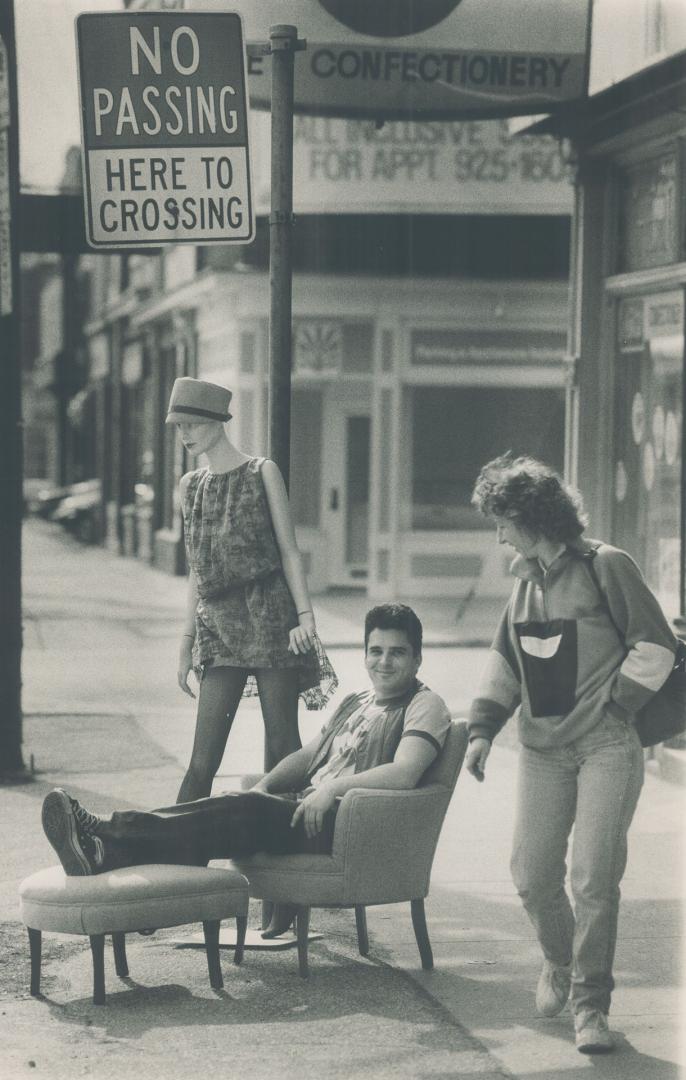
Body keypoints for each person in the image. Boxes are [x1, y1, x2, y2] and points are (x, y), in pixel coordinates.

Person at [41, 603, 451, 937]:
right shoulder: (358, 700)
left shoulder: (424, 705)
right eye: (376, 651)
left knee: (234, 809)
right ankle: (107, 852)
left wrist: (331, 791)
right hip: (307, 815)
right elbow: (309, 757)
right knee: (225, 815)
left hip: (348, 827)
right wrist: (268, 787)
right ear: (365, 655)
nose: (384, 662)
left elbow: (404, 773)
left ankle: (106, 833)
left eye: (397, 652)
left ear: (417, 658)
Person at [466, 454, 676, 1055]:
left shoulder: (605, 565)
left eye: (501, 521)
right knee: (532, 876)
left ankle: (591, 1006)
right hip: (542, 751)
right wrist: (482, 730)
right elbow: (506, 660)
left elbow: (655, 645)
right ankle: (559, 960)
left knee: (592, 879)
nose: (498, 534)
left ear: (531, 517)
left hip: (607, 746)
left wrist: (617, 705)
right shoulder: (523, 581)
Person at [166, 377, 337, 803]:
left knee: (283, 745)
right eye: (179, 426)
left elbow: (290, 553)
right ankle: (179, 856)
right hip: (218, 624)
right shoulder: (190, 486)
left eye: (190, 424)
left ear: (215, 422)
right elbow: (196, 570)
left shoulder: (262, 472)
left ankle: (298, 847)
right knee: (202, 760)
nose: (184, 434)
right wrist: (186, 641)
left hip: (271, 617)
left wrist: (306, 619)